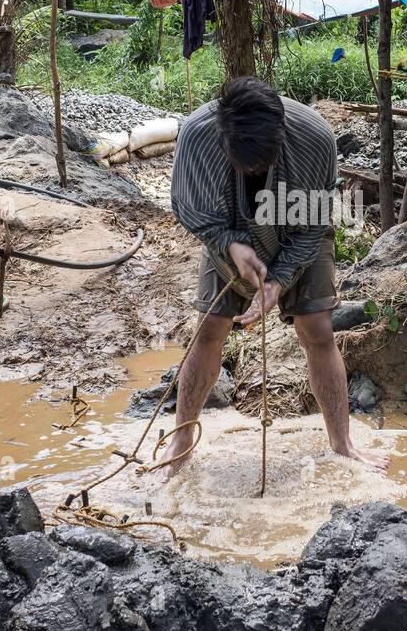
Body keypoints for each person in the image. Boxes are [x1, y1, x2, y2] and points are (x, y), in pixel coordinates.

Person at [161, 76, 389, 478]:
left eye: (262, 162)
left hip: (299, 226)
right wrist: (231, 244)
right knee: (210, 328)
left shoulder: (315, 138)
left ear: (281, 133)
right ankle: (180, 440)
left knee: (318, 329)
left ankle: (343, 443)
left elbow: (313, 226)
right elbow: (188, 209)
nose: (254, 169)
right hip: (225, 227)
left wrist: (279, 279)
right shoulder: (197, 137)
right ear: (222, 132)